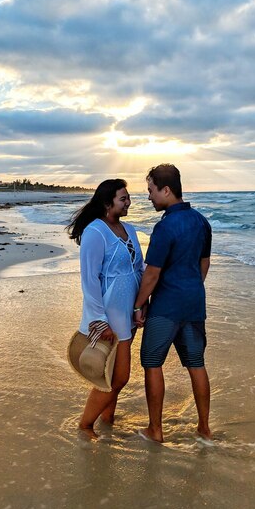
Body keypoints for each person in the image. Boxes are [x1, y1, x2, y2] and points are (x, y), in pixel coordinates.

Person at [133, 164, 212, 443]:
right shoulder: (202, 221)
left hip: (166, 306)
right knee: (196, 364)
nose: (150, 197)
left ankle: (155, 430)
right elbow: (204, 264)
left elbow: (152, 273)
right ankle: (204, 429)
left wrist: (138, 305)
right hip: (194, 302)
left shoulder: (165, 226)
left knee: (152, 362)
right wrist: (190, 287)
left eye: (151, 191)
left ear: (167, 190)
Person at [66, 179, 144, 438]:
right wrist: (99, 319)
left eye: (128, 197)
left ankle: (108, 418)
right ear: (106, 202)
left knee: (115, 373)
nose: (128, 202)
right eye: (123, 198)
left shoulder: (130, 229)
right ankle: (86, 424)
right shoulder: (95, 232)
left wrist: (141, 305)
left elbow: (139, 269)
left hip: (127, 311)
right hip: (110, 313)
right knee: (117, 376)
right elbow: (89, 279)